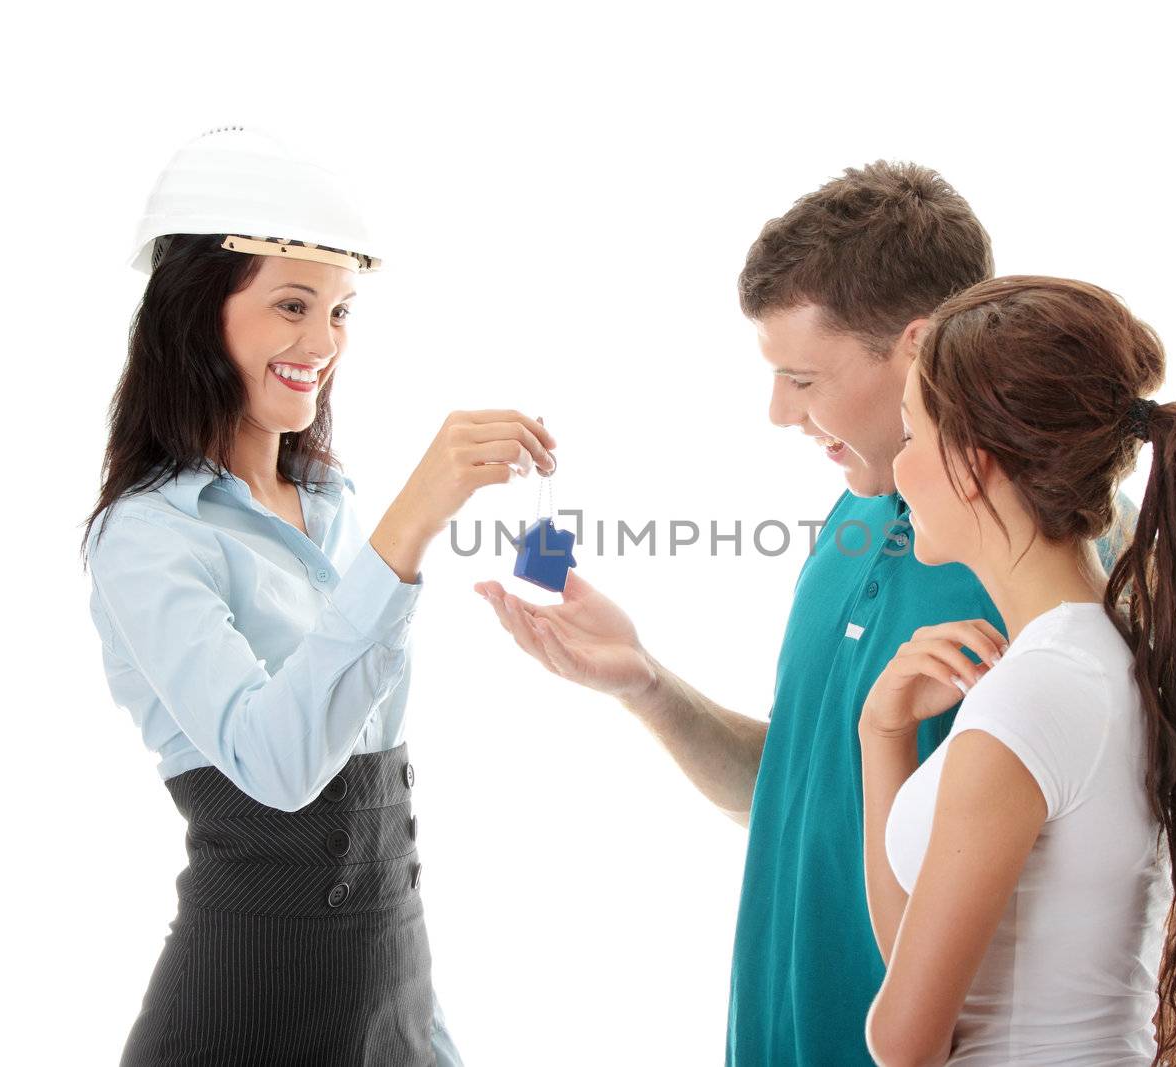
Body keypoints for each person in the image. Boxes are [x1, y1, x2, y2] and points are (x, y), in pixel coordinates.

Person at [474, 163, 1136, 1064]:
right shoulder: (856, 518)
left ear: (915, 347)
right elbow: (798, 789)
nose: (779, 411)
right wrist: (649, 686)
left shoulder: (1076, 559)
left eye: (803, 377)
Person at [80, 127, 556, 1066]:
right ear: (195, 314)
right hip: (240, 1012)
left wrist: (424, 1029)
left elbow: (380, 860)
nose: (323, 342)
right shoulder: (147, 537)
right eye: (292, 305)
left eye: (340, 312)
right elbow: (280, 763)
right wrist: (411, 527)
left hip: (388, 999)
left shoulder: (333, 510)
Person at [861, 276, 1176, 1065]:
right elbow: (919, 968)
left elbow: (905, 1039)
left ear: (974, 464)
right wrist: (882, 734)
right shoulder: (1113, 660)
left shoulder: (1030, 698)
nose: (897, 467)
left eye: (911, 437)